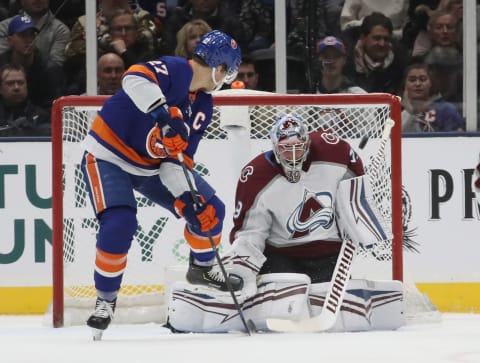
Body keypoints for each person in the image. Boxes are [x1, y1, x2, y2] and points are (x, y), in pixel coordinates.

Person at [167, 114, 400, 333]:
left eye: (299, 147)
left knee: (327, 303)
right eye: (286, 149)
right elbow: (251, 232)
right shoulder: (256, 177)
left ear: (308, 143)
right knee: (287, 298)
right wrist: (243, 268)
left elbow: (356, 188)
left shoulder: (334, 152)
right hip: (280, 255)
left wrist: (357, 214)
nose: (294, 155)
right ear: (274, 147)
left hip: (328, 252)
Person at [81, 30, 242, 338]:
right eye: (228, 70)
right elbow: (133, 78)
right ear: (220, 67)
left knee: (209, 210)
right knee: (119, 222)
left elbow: (175, 161)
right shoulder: (177, 70)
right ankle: (105, 300)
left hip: (153, 168)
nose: (226, 77)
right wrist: (162, 114)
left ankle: (202, 267)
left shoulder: (203, 106)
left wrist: (186, 198)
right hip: (108, 156)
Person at [0, 14, 61, 112]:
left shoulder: (49, 70)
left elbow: (53, 108)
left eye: (32, 35)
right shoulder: (1, 65)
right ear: (10, 40)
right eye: (23, 35)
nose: (29, 40)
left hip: (38, 121)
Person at [343, 11, 408, 94]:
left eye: (386, 39)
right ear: (363, 38)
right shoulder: (345, 61)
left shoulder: (400, 63)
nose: (382, 44)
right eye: (377, 38)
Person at [0, 0, 71, 68]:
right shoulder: (4, 27)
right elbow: (2, 61)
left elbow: (54, 67)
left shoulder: (61, 30)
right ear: (21, 1)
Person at [401, 62, 464, 132]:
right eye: (412, 80)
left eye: (423, 79)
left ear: (431, 83)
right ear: (405, 85)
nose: (417, 84)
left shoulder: (447, 110)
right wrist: (410, 114)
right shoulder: (401, 115)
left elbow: (457, 140)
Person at [0, 63, 50, 136]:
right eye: (10, 83)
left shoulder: (41, 116)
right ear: (0, 88)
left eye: (21, 83)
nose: (16, 87)